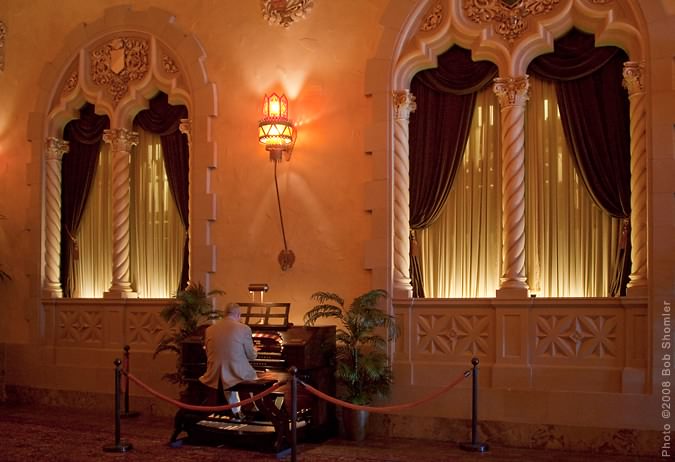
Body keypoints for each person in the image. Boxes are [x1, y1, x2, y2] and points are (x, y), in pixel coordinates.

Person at [199, 302, 258, 415]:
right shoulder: (244, 328)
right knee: (251, 376)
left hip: (214, 372)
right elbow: (251, 356)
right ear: (238, 315)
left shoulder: (209, 329)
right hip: (235, 372)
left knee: (231, 375)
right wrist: (255, 351)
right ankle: (251, 409)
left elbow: (208, 353)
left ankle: (235, 411)